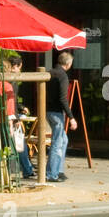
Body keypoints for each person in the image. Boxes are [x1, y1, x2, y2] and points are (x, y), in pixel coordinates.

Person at [46, 51, 77, 182]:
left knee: (63, 140)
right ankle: (52, 173)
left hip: (48, 110)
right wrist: (72, 117)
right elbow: (63, 99)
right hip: (57, 112)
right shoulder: (62, 76)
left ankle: (58, 170)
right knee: (57, 142)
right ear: (68, 64)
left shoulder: (50, 73)